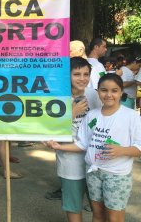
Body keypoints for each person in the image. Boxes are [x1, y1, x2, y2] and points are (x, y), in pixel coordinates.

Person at [46, 73, 141, 222]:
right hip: (93, 172)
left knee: (114, 218)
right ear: (98, 92)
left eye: (114, 90)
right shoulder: (92, 115)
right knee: (98, 214)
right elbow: (82, 143)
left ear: (121, 92)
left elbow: (139, 147)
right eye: (104, 90)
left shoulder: (131, 116)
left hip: (116, 175)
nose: (108, 94)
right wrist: (59, 146)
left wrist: (121, 151)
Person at [47, 57, 101, 221]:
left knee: (98, 208)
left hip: (96, 162)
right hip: (70, 163)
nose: (82, 78)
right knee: (73, 206)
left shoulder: (95, 94)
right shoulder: (55, 97)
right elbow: (48, 132)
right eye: (77, 74)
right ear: (67, 75)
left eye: (86, 74)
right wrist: (71, 113)